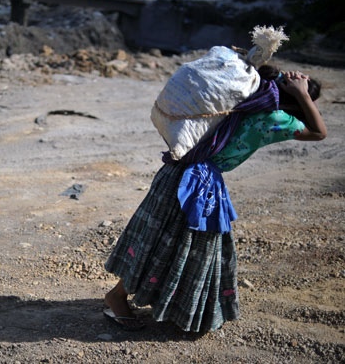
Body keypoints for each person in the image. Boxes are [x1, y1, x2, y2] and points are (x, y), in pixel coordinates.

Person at [103, 66, 327, 332]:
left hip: (178, 172)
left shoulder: (251, 100)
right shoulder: (272, 116)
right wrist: (303, 95)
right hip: (196, 183)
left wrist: (291, 87)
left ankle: (155, 301)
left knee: (164, 241)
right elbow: (319, 132)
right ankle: (118, 297)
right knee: (175, 243)